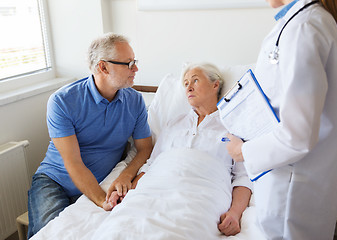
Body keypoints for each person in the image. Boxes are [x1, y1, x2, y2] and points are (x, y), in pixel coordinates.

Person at [226, 0, 337, 239]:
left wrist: (243, 151)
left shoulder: (304, 27)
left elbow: (298, 136)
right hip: (295, 184)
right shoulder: (303, 22)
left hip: (292, 192)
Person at [27, 33, 153, 238]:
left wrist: (125, 175)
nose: (135, 69)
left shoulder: (135, 101)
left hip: (102, 180)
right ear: (103, 67)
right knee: (52, 234)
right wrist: (102, 200)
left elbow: (145, 148)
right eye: (128, 63)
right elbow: (73, 163)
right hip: (55, 182)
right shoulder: (62, 102)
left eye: (134, 62)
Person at [107, 63, 253, 236]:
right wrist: (129, 193)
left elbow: (243, 177)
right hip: (156, 189)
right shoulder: (173, 124)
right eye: (185, 84)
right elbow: (152, 164)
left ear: (215, 85)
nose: (189, 87)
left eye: (195, 80)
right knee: (122, 228)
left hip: (202, 194)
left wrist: (235, 214)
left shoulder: (231, 126)